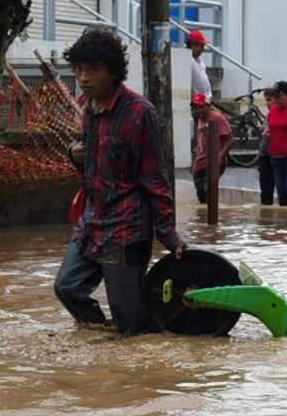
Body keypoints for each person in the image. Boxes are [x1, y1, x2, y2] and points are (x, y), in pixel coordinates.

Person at [53, 27, 187, 334]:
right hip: (92, 223)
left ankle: (137, 366)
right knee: (67, 287)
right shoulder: (89, 110)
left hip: (126, 229)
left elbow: (156, 180)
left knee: (130, 320)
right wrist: (73, 154)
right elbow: (90, 168)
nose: (84, 78)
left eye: (93, 71)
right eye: (79, 71)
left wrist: (168, 235)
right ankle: (101, 343)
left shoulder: (141, 113)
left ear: (113, 72)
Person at [189, 93, 231, 204]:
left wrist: (220, 156)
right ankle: (203, 218)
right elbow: (197, 142)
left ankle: (211, 218)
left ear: (208, 106)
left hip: (214, 161)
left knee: (210, 193)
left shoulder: (217, 118)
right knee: (201, 194)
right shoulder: (198, 120)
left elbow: (230, 139)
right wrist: (193, 161)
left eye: (201, 106)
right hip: (200, 162)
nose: (198, 110)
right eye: (196, 107)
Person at [256, 87, 277, 206]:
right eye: (266, 100)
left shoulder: (280, 115)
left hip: (275, 156)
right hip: (264, 155)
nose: (267, 104)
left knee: (282, 188)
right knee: (265, 190)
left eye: (270, 100)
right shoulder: (269, 115)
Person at [187, 29, 212, 101]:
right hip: (197, 103)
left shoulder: (200, 60)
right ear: (192, 45)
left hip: (206, 100)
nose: (202, 49)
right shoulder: (188, 60)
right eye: (201, 45)